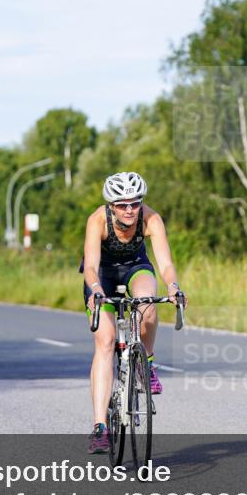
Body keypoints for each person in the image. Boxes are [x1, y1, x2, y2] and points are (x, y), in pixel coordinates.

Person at [81, 172, 187, 454]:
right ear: (112, 205)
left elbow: (164, 264)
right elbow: (91, 265)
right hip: (100, 275)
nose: (129, 209)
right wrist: (94, 290)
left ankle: (147, 363)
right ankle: (100, 427)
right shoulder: (97, 220)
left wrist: (174, 286)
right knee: (104, 342)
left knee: (147, 303)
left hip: (135, 267)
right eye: (122, 204)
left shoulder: (151, 219)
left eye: (135, 203)